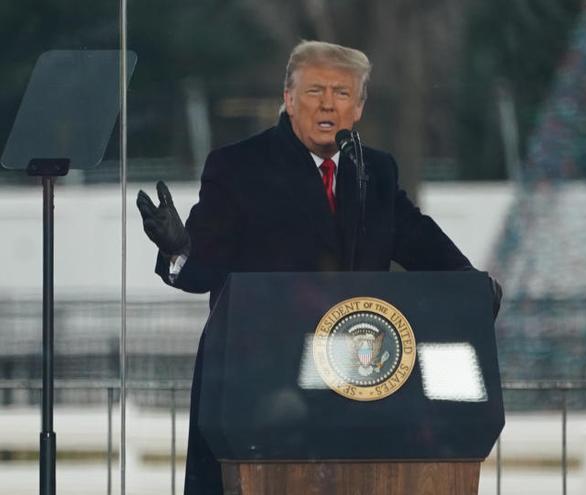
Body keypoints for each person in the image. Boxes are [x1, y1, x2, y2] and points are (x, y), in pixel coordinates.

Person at [136, 40, 501, 494]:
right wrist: (178, 247)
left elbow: (419, 239)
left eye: (343, 93)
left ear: (360, 107)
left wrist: (470, 288)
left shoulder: (374, 172)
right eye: (315, 91)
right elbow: (203, 267)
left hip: (357, 388)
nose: (328, 103)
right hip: (261, 390)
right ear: (288, 99)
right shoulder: (239, 166)